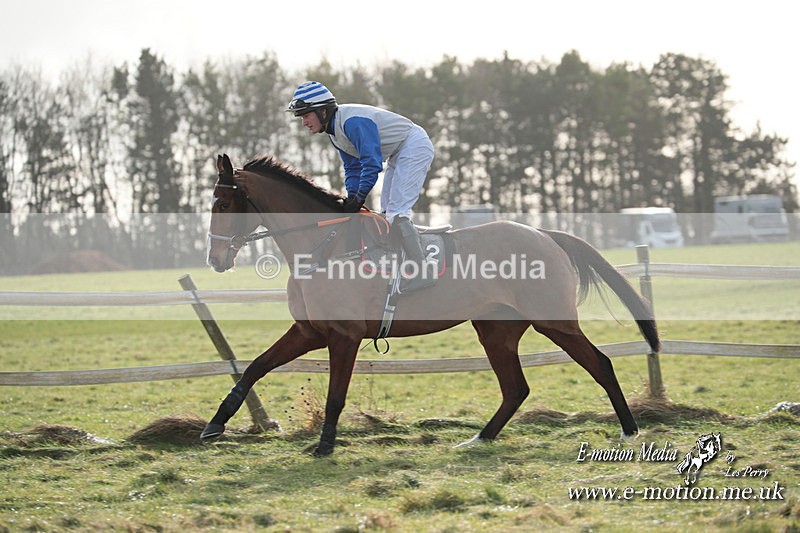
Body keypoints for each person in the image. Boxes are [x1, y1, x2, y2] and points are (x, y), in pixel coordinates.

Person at [286, 81, 435, 293]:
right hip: (398, 152)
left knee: (397, 211)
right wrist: (352, 197)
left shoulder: (353, 123)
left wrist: (360, 197)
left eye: (306, 115)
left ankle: (423, 272)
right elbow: (352, 168)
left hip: (413, 145)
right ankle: (402, 266)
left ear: (322, 111)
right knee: (387, 212)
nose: (304, 122)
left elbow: (371, 163)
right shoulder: (334, 132)